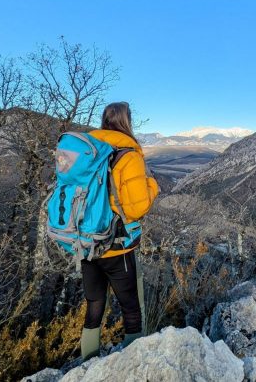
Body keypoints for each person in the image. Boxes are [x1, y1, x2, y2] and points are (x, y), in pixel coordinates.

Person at [78, 102, 159, 361]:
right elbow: (137, 208)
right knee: (131, 308)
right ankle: (135, 363)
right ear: (127, 121)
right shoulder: (128, 154)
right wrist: (152, 184)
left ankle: (87, 362)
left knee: (94, 306)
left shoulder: (88, 151)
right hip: (116, 243)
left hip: (86, 242)